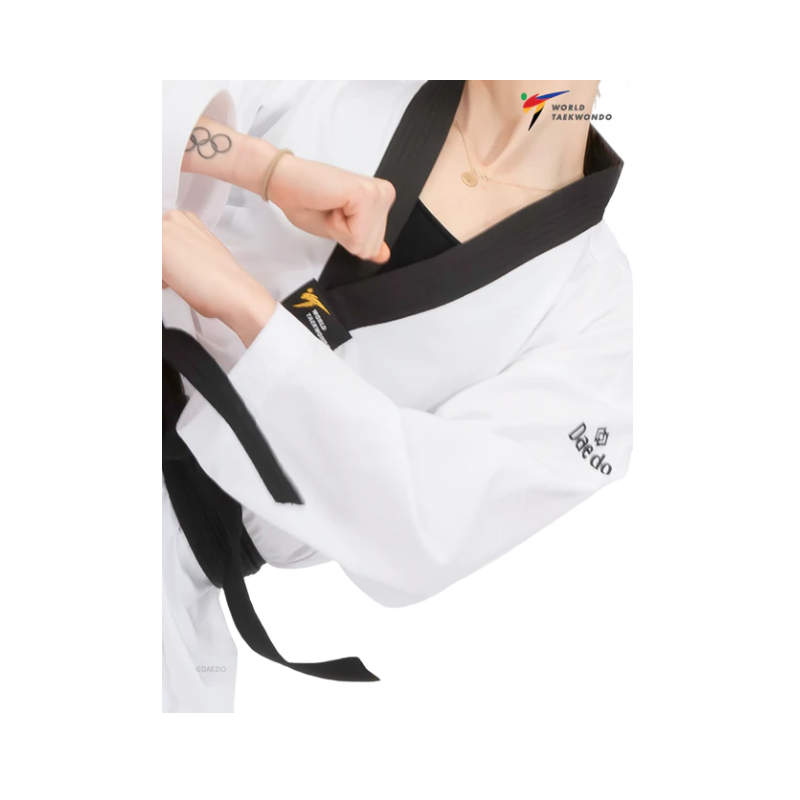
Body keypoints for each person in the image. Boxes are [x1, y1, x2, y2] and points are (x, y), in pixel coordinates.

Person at [162, 80, 632, 712]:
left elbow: (425, 526)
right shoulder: (341, 73)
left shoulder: (601, 319)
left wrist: (251, 313)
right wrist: (263, 168)